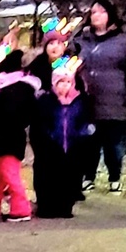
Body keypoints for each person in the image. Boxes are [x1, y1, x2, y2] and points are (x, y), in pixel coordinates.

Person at [77, 0, 126, 192]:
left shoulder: (125, 41)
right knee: (89, 143)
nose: (96, 16)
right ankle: (88, 176)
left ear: (110, 15)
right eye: (93, 12)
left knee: (113, 145)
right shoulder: (81, 41)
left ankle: (114, 176)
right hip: (87, 102)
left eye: (100, 12)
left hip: (115, 102)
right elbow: (65, 63)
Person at [30, 61, 95, 218]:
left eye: (68, 82)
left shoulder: (81, 101)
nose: (65, 86)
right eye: (61, 82)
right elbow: (38, 124)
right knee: (47, 178)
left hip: (73, 147)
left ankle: (65, 206)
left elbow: (87, 121)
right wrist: (46, 138)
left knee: (70, 178)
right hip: (50, 148)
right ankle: (46, 206)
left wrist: (83, 134)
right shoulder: (46, 101)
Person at [0, 50, 37, 222]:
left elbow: (8, 115)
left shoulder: (14, 91)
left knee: (10, 176)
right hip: (4, 138)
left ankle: (21, 209)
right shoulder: (18, 89)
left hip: (6, 138)